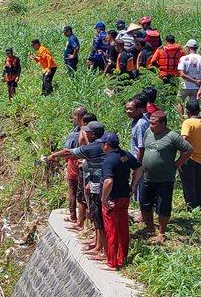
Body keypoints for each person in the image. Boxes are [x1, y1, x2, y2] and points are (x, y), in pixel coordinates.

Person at [48, 121, 107, 261]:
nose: (84, 133)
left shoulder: (93, 147)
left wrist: (53, 155)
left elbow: (68, 152)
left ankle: (101, 249)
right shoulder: (104, 145)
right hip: (97, 184)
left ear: (92, 134)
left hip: (98, 186)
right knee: (96, 217)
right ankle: (97, 244)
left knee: (99, 218)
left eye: (87, 131)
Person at [140, 111, 194, 244]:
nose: (151, 125)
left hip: (165, 179)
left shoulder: (172, 136)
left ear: (163, 124)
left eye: (154, 123)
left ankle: (161, 233)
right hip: (147, 176)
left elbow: (188, 149)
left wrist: (177, 164)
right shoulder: (148, 132)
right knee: (144, 203)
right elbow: (144, 149)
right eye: (150, 122)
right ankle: (149, 228)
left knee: (163, 206)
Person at [100, 132, 140, 270]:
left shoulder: (109, 161)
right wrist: (133, 186)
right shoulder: (125, 155)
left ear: (107, 145)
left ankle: (112, 262)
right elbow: (139, 167)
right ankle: (122, 258)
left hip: (112, 200)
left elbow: (108, 181)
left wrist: (104, 199)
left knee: (112, 230)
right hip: (125, 196)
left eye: (102, 144)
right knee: (123, 227)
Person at [64, 106, 88, 227]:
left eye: (74, 116)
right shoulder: (91, 131)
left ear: (78, 117)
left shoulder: (74, 135)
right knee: (84, 191)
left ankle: (74, 216)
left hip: (74, 164)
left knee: (73, 190)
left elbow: (67, 151)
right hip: (86, 165)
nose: (73, 118)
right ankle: (85, 217)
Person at [127, 97, 149, 202]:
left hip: (141, 161)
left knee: (141, 185)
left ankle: (142, 208)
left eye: (131, 109)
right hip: (138, 160)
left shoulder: (140, 124)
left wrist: (137, 165)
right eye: (127, 109)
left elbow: (142, 147)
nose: (128, 111)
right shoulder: (136, 121)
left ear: (139, 109)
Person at [181, 100, 201, 211]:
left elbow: (183, 139)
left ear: (187, 111)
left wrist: (181, 157)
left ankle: (191, 207)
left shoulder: (188, 123)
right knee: (199, 184)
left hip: (190, 158)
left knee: (189, 184)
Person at [177, 39, 201, 111]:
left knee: (179, 102)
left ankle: (182, 118)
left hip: (184, 86)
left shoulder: (183, 58)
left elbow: (182, 74)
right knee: (193, 105)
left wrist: (194, 81)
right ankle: (192, 117)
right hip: (196, 87)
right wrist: (197, 82)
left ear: (188, 48)